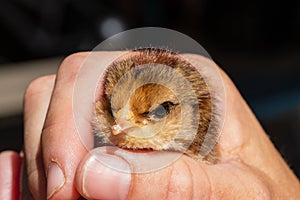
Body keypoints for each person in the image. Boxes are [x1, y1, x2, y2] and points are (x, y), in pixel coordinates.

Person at [0, 52, 299, 200]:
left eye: (155, 112)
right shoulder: (89, 154)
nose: (122, 124)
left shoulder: (203, 163)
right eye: (113, 107)